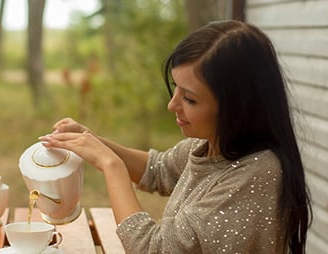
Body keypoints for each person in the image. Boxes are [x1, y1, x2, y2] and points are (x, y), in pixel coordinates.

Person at [39, 20, 312, 253]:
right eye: (176, 89)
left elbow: (152, 249)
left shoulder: (257, 175)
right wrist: (92, 140)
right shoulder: (209, 145)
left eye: (190, 99)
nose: (172, 105)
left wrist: (111, 166)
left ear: (237, 106)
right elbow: (157, 170)